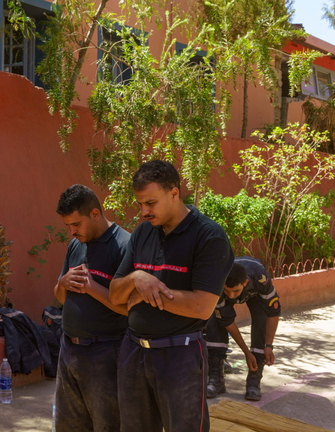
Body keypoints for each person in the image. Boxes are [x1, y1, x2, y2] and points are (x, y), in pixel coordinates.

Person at [109, 160, 233, 432]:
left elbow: (202, 306)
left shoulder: (208, 236)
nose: (143, 212)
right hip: (133, 351)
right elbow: (116, 295)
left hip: (181, 354)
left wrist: (145, 295)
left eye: (150, 203)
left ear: (174, 193)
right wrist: (136, 278)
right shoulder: (143, 233)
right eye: (140, 204)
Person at [53, 184, 130, 432]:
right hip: (69, 350)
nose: (72, 231)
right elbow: (60, 298)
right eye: (68, 226)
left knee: (107, 424)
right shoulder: (76, 244)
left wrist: (92, 288)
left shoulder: (124, 245)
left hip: (105, 353)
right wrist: (62, 284)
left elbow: (130, 309)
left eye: (76, 224)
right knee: (68, 425)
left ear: (95, 214)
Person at [204, 256, 280, 401]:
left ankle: (254, 381)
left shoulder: (260, 278)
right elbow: (228, 323)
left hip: (256, 295)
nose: (231, 296)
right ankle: (216, 379)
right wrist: (246, 352)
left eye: (236, 291)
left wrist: (268, 345)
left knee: (261, 319)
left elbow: (273, 312)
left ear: (245, 283)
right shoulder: (218, 284)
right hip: (225, 291)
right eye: (227, 291)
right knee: (214, 321)